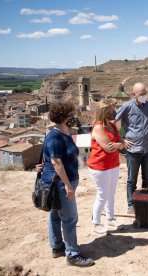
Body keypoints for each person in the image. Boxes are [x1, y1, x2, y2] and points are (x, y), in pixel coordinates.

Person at [40, 102, 94, 267]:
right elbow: (57, 163)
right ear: (63, 117)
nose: (74, 117)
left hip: (65, 181)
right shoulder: (55, 136)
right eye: (71, 115)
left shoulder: (65, 132)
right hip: (60, 184)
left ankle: (57, 246)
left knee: (56, 215)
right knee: (70, 218)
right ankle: (72, 254)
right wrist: (68, 186)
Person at [115, 82, 148, 214]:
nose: (144, 96)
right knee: (132, 180)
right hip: (133, 150)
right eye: (141, 94)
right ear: (134, 94)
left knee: (147, 179)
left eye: (145, 94)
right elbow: (112, 122)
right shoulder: (126, 106)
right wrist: (121, 139)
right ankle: (131, 205)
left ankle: (146, 203)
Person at [87, 99, 125, 235]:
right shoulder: (98, 127)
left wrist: (120, 144)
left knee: (111, 193)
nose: (115, 112)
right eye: (112, 110)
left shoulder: (112, 125)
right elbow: (108, 148)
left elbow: (120, 142)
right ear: (104, 112)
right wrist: (120, 145)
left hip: (113, 164)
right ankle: (96, 222)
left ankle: (110, 218)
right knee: (102, 195)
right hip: (100, 166)